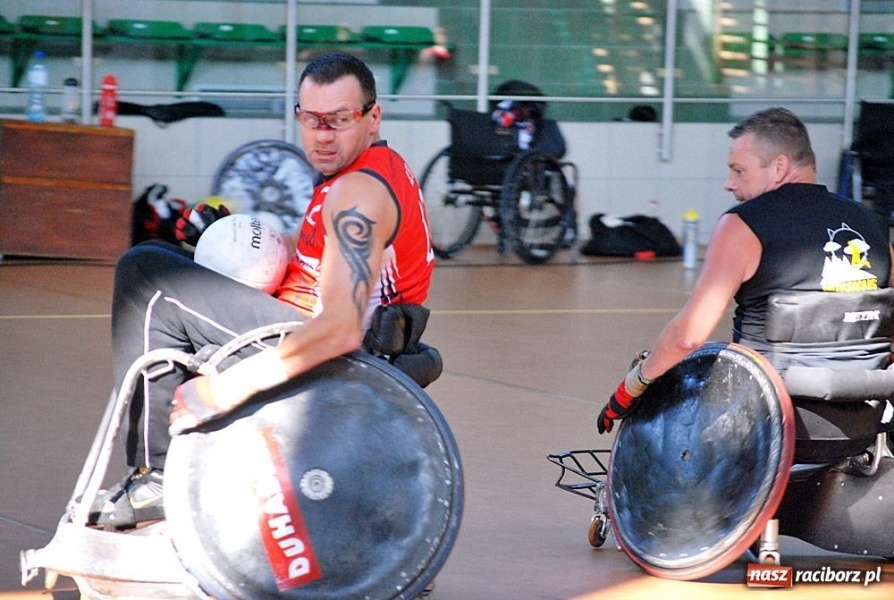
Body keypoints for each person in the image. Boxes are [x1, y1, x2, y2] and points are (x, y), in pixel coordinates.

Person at [94, 52, 436, 528]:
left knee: (147, 278)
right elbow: (310, 254)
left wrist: (222, 390)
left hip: (337, 364)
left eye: (339, 119)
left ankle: (158, 475)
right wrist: (225, 240)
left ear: (372, 117)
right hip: (301, 326)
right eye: (311, 118)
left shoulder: (358, 194)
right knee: (166, 257)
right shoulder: (361, 174)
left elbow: (338, 330)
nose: (322, 134)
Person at [597, 107, 894, 434]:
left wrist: (631, 386)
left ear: (779, 166)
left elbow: (688, 336)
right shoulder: (873, 224)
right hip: (862, 418)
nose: (728, 184)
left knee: (658, 369)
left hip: (770, 421)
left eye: (739, 171)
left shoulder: (741, 225)